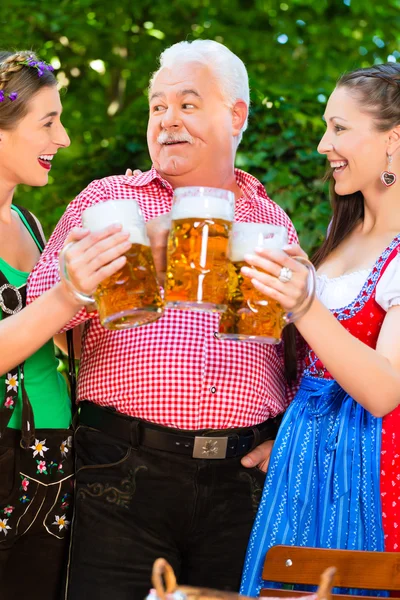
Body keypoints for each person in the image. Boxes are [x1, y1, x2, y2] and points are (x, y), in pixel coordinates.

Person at [27, 39, 309, 598]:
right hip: (119, 472)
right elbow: (40, 324)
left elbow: (298, 352)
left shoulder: (270, 219)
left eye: (186, 104)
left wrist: (288, 436)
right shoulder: (106, 202)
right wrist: (75, 287)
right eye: (158, 106)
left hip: (241, 482)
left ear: (236, 115)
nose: (167, 121)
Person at [239, 62, 400, 597]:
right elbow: (318, 363)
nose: (321, 144)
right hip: (302, 457)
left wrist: (304, 304)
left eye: (340, 128)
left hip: (369, 465)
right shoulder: (343, 229)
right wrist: (283, 430)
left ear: (392, 140)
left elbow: (382, 390)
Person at [0, 50, 134, 600]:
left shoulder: (31, 225)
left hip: (55, 459)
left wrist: (131, 216)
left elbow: (55, 336)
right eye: (48, 122)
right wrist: (68, 293)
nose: (65, 138)